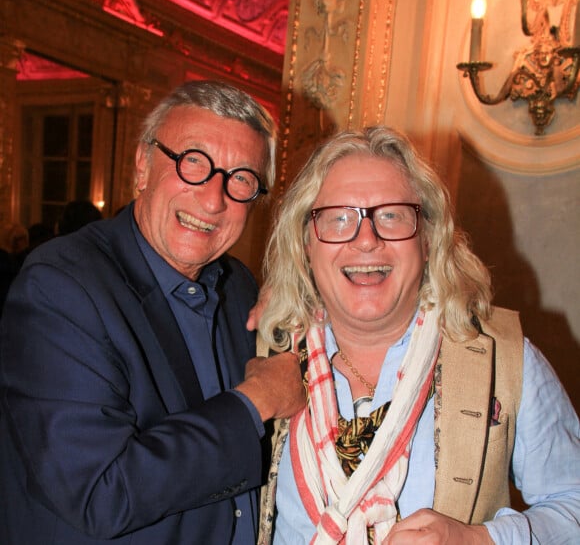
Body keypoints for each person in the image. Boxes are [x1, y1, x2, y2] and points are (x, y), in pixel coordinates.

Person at [0, 80, 305, 544]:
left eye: (240, 178)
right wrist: (253, 402)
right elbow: (100, 494)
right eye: (193, 163)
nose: (213, 199)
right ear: (143, 165)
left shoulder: (239, 285)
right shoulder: (60, 286)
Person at [256, 126, 580, 544]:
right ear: (305, 243)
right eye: (338, 219)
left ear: (428, 238)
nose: (366, 240)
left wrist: (480, 540)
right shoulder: (264, 350)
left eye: (392, 216)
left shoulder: (506, 361)